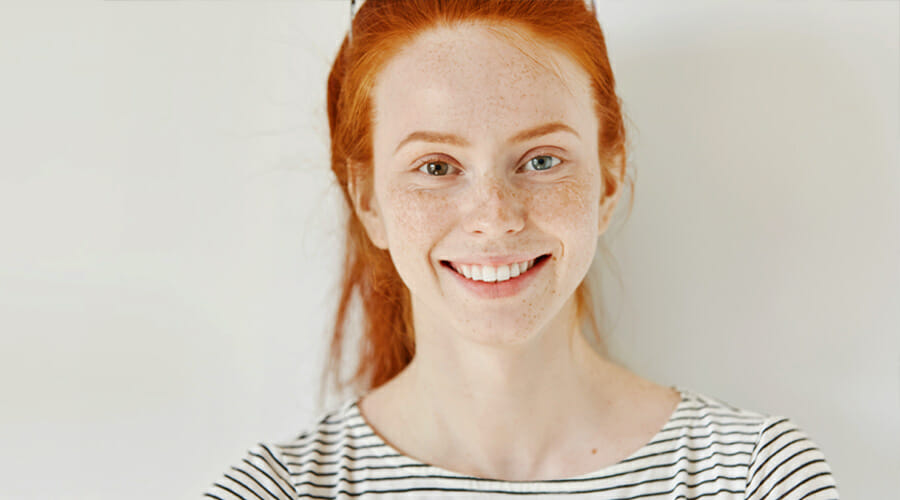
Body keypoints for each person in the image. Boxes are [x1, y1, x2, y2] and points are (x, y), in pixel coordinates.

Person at [204, 0, 840, 498]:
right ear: (368, 200)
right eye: (436, 166)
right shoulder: (279, 491)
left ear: (609, 179)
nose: (495, 219)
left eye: (540, 159)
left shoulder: (758, 479)